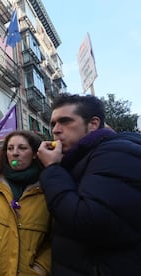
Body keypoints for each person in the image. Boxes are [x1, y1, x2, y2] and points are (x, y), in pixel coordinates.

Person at [37, 93, 141, 275]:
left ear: (93, 124)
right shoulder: (80, 160)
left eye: (65, 121)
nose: (55, 130)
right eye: (53, 123)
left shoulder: (116, 152)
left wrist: (52, 169)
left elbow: (89, 222)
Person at [0, 130, 51, 275]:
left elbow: (56, 237)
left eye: (22, 148)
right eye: (10, 148)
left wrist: (41, 267)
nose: (15, 153)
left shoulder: (49, 186)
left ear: (35, 153)